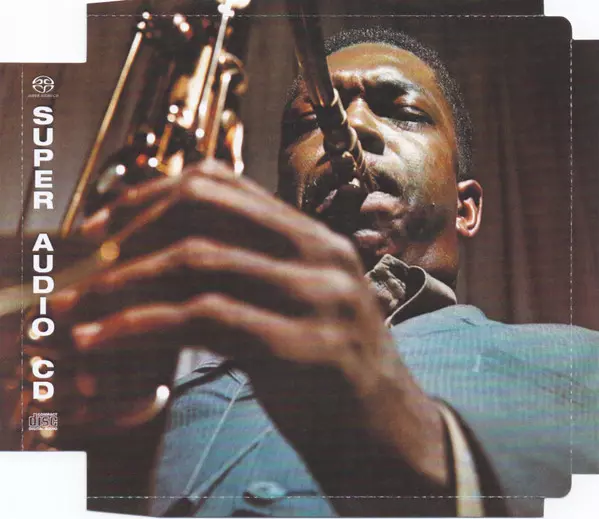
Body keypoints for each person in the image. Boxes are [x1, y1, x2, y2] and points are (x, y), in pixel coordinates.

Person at [50, 28, 598, 517]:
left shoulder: (580, 360)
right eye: (308, 121)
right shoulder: (169, 393)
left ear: (466, 209)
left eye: (403, 111)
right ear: (280, 193)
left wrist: (419, 447)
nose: (351, 125)